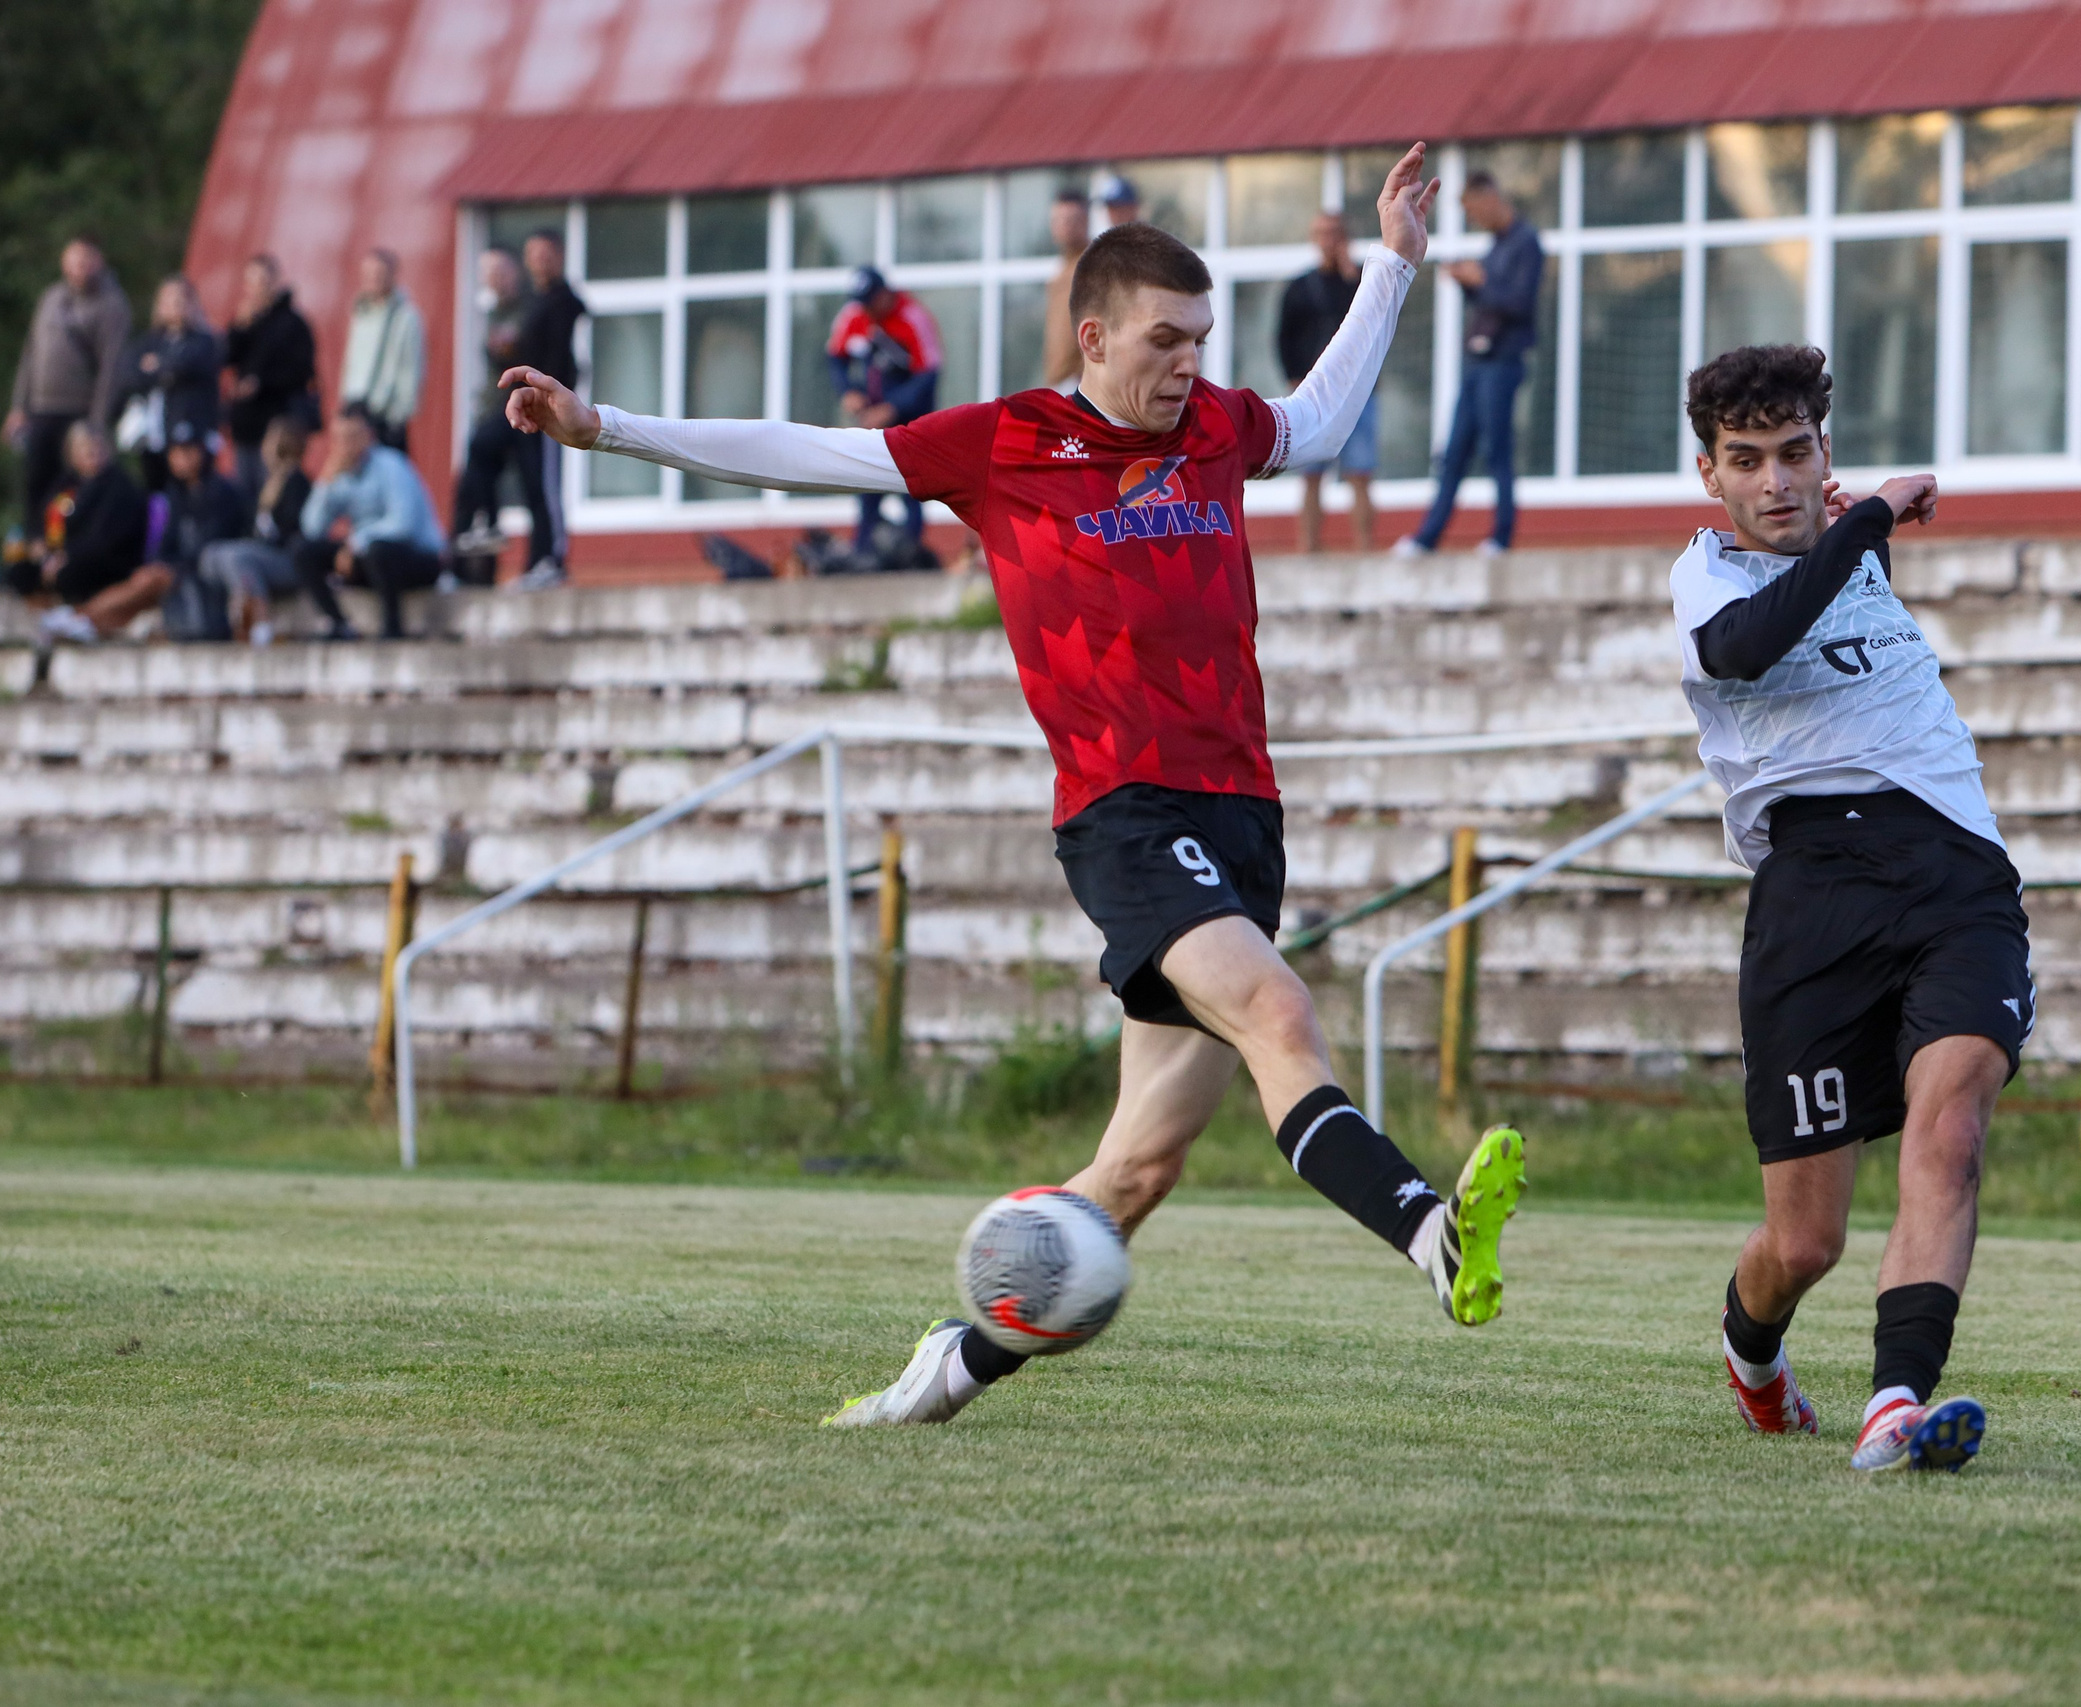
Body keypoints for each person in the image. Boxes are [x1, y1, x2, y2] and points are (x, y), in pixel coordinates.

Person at [499, 144, 1529, 1429]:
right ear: (1092, 337)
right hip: (1124, 812)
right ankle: (1432, 1234)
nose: (1188, 364)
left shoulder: (1210, 427)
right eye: (1163, 339)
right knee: (1278, 1014)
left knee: (1137, 1171)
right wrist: (605, 428)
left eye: (1201, 338)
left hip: (1241, 818)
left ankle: (936, 1379)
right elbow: (802, 452)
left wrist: (1393, 262)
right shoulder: (1005, 445)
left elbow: (1316, 422)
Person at [1669, 343, 2031, 1475]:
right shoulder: (1706, 580)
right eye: (1746, 461)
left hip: (1952, 872)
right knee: (1804, 1238)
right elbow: (1745, 646)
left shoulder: (1842, 542)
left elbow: (1836, 572)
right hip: (1812, 899)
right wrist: (1863, 518)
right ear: (1708, 475)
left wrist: (1855, 524)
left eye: (1794, 455)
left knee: (1952, 1121)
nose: (1773, 481)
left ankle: (1896, 1403)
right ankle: (1754, 1359)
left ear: (1822, 452)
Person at [1393, 171, 1542, 559]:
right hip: (1478, 362)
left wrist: (1481, 280)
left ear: (1490, 197)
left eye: (1475, 210)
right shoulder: (1495, 247)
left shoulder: (1526, 244)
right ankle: (1427, 538)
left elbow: (1520, 305)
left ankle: (1502, 538)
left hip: (1504, 361)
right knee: (1454, 450)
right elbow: (1488, 302)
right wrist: (1467, 282)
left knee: (1497, 450)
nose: (1475, 219)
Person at [3, 236, 133, 540]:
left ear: (99, 262)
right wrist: (18, 406)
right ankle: (35, 548)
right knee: (36, 480)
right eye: (74, 260)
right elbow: (30, 354)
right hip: (40, 408)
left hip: (79, 412)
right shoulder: (51, 297)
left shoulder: (111, 304)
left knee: (73, 486)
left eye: (86, 260)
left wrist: (97, 423)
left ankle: (70, 549)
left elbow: (111, 369)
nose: (79, 268)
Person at [295, 404, 447, 641]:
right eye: (340, 438)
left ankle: (392, 629)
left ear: (369, 436)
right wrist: (324, 483)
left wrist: (355, 543)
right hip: (367, 559)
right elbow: (312, 528)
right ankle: (338, 624)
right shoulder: (340, 474)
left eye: (352, 437)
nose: (346, 445)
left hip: (419, 559)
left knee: (379, 550)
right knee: (303, 550)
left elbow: (402, 524)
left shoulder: (392, 465)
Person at [825, 267, 943, 568]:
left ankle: (910, 556)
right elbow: (835, 358)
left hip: (910, 422)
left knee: (911, 490)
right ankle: (863, 558)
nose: (864, 307)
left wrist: (892, 408)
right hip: (871, 424)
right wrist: (848, 391)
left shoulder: (913, 316)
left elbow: (929, 373)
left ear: (883, 294)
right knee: (867, 491)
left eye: (869, 299)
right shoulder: (854, 316)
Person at [1279, 210, 1379, 552]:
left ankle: (1364, 549)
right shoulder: (1300, 287)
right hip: (1314, 396)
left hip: (1358, 392)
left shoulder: (1360, 284)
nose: (1328, 241)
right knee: (1310, 476)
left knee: (1361, 473)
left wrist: (1353, 278)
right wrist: (1295, 380)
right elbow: (1284, 337)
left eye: (1334, 233)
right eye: (1322, 233)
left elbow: (1374, 324)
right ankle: (1308, 549)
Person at [505, 229, 586, 590]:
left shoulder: (566, 302)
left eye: (545, 254)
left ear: (560, 256)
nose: (539, 261)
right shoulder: (528, 303)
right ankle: (535, 561)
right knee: (533, 487)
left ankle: (553, 559)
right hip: (525, 407)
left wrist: (556, 398)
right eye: (532, 254)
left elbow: (568, 361)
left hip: (552, 407)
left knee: (549, 486)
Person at [33, 421, 162, 644]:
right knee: (24, 570)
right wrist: (44, 549)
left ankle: (79, 618)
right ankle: (60, 620)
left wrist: (67, 556)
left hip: (114, 560)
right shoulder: (69, 486)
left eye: (96, 446)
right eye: (84, 448)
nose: (92, 452)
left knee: (70, 572)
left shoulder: (119, 485)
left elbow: (107, 538)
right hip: (75, 553)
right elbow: (49, 522)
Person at [450, 246, 532, 581]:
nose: (494, 280)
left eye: (499, 272)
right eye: (488, 274)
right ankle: (469, 568)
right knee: (470, 480)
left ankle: (497, 530)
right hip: (492, 407)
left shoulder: (526, 309)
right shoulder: (493, 312)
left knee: (485, 452)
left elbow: (519, 355)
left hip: (521, 409)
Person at [199, 414, 311, 645]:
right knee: (212, 554)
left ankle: (260, 620)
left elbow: (292, 531)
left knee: (238, 557)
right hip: (263, 555)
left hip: (287, 558)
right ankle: (232, 614)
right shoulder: (268, 484)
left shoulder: (297, 483)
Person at [116, 274, 222, 494]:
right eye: (169, 300)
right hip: (154, 435)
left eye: (181, 300)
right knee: (155, 494)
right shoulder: (149, 341)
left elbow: (183, 367)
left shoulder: (204, 341)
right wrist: (162, 370)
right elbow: (130, 375)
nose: (175, 306)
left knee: (188, 492)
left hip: (188, 433)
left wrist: (158, 366)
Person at [222, 254, 319, 494]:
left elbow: (302, 371)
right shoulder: (246, 322)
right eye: (252, 282)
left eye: (263, 281)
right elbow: (225, 357)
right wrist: (238, 329)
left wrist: (261, 383)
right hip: (246, 425)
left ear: (275, 282)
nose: (258, 289)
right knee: (245, 493)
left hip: (278, 425)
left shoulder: (293, 324)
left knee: (274, 491)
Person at [151, 420, 253, 642]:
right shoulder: (176, 493)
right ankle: (89, 619)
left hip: (210, 570)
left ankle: (88, 619)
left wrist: (175, 566)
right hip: (180, 568)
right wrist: (165, 563)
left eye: (189, 451)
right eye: (176, 452)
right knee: (150, 576)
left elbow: (213, 540)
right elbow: (167, 542)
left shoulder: (222, 491)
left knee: (150, 581)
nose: (183, 458)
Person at [339, 249, 425, 452]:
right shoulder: (360, 314)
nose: (373, 280)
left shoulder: (406, 317)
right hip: (356, 409)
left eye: (379, 274)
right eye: (369, 275)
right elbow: (351, 361)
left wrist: (400, 414)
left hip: (386, 414)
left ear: (392, 276)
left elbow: (411, 368)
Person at [1040, 188, 1092, 392]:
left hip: (1079, 383)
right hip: (1057, 381)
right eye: (1059, 220)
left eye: (1071, 220)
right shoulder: (1060, 271)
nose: (1064, 227)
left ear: (1085, 222)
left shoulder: (1092, 267)